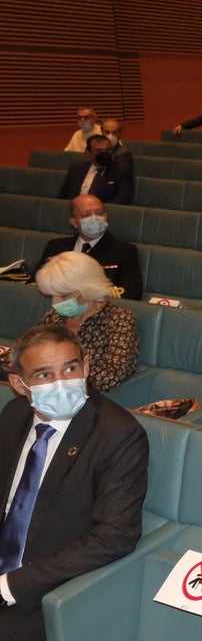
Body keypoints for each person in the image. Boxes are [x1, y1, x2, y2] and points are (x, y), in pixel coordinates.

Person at [0, 325, 147, 640]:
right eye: (43, 375)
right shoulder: (13, 414)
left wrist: (9, 586)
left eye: (70, 369)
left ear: (87, 366)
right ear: (18, 384)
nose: (61, 384)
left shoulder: (117, 434)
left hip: (43, 591)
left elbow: (115, 537)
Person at [25, 252, 139, 392]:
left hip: (91, 399)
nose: (55, 303)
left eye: (63, 296)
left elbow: (111, 377)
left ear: (88, 290)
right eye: (52, 296)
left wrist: (54, 373)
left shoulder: (119, 318)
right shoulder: (56, 315)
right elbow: (28, 347)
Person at [33, 195, 142, 301]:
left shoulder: (124, 251)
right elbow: (37, 281)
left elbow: (132, 293)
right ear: (74, 222)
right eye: (86, 215)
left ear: (106, 216)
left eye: (99, 213)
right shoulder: (56, 246)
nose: (94, 218)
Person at [56, 135, 133, 205]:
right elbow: (63, 196)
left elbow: (122, 200)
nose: (104, 153)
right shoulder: (76, 169)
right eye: (99, 151)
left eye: (107, 150)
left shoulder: (121, 170)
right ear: (89, 153)